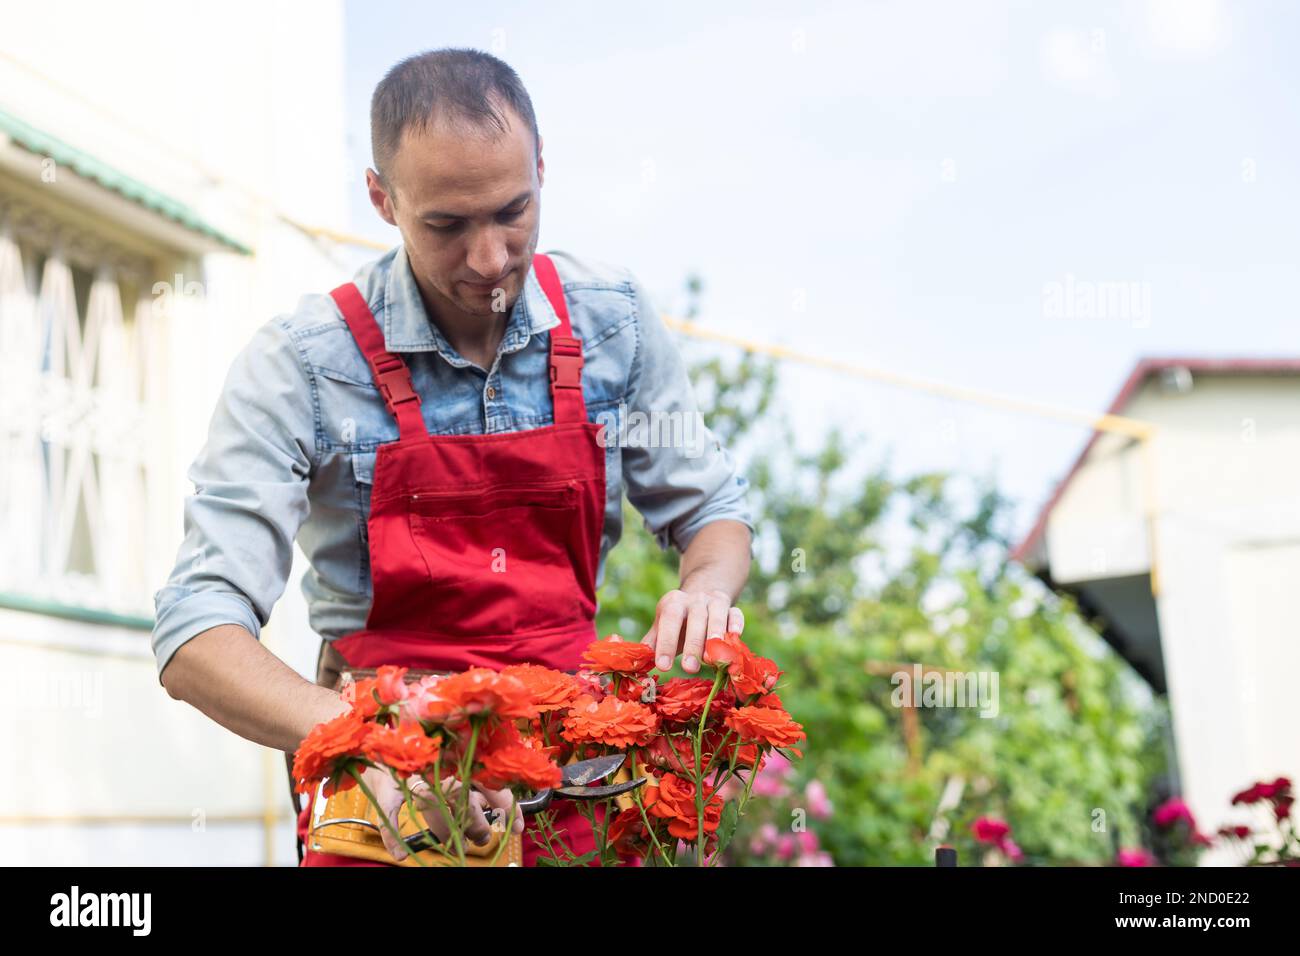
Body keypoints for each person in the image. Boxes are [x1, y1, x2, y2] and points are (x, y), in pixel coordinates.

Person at [153, 47, 754, 867]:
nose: (489, 259)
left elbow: (712, 510)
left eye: (513, 210)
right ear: (382, 198)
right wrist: (365, 739)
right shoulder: (303, 363)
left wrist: (707, 589)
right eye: (446, 224)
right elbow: (196, 633)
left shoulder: (613, 324)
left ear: (542, 168)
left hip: (575, 789)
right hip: (386, 808)